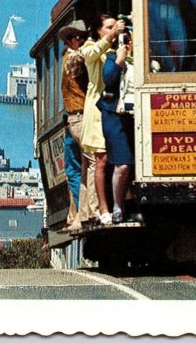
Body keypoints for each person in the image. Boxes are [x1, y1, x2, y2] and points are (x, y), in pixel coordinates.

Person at [80, 14, 127, 225]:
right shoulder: (91, 47)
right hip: (98, 111)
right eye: (108, 28)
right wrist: (111, 37)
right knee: (102, 160)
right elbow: (90, 54)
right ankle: (103, 208)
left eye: (114, 27)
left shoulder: (118, 47)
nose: (112, 31)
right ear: (98, 31)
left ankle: (120, 205)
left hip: (116, 109)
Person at [57, 19, 97, 231]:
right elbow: (79, 65)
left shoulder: (68, 56)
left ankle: (77, 216)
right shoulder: (73, 58)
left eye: (83, 37)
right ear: (70, 40)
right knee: (93, 162)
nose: (80, 41)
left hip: (75, 119)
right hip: (80, 117)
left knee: (81, 168)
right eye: (77, 37)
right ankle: (90, 211)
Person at [98, 31, 136, 224]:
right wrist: (119, 60)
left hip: (136, 116)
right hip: (115, 116)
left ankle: (130, 203)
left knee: (132, 166)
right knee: (122, 164)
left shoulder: (143, 60)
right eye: (125, 41)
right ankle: (117, 206)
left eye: (130, 40)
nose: (128, 44)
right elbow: (108, 79)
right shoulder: (113, 58)